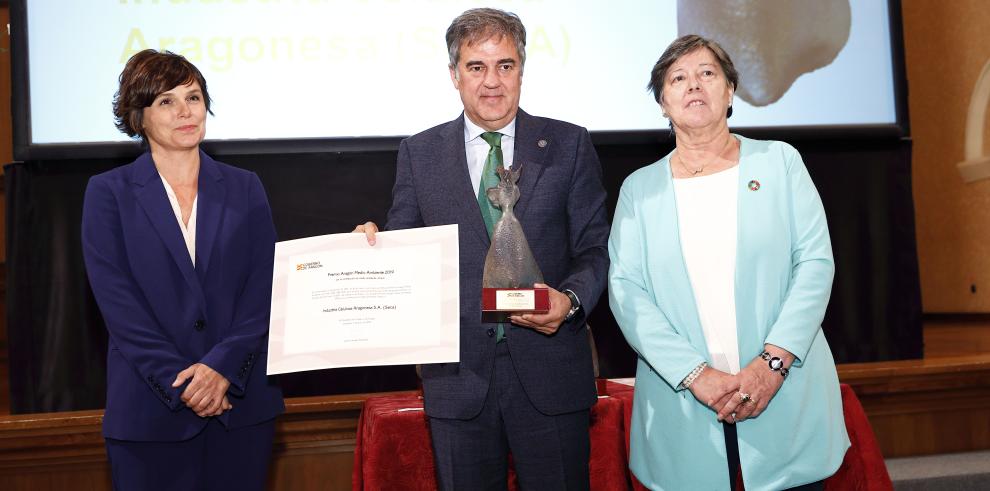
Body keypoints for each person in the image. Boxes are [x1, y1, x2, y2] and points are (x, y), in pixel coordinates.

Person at [355, 8, 609, 490]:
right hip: (457, 378)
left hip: (551, 372)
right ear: (454, 75)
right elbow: (403, 251)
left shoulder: (568, 144)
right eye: (477, 67)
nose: (492, 81)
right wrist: (370, 250)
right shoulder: (419, 153)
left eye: (505, 66)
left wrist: (570, 301)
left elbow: (595, 248)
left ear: (521, 70)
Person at [607, 35, 850, 490]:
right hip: (683, 405)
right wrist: (695, 375)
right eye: (677, 78)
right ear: (663, 102)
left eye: (707, 73)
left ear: (731, 90)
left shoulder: (780, 162)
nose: (693, 85)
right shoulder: (640, 189)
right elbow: (626, 292)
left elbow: (815, 264)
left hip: (783, 394)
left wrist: (771, 366)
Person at [82, 49, 284, 490]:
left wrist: (221, 369)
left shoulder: (245, 186)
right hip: (149, 416)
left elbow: (264, 289)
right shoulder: (107, 194)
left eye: (193, 97)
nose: (184, 111)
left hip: (240, 408)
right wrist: (186, 385)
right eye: (166, 102)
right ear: (139, 117)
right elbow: (120, 308)